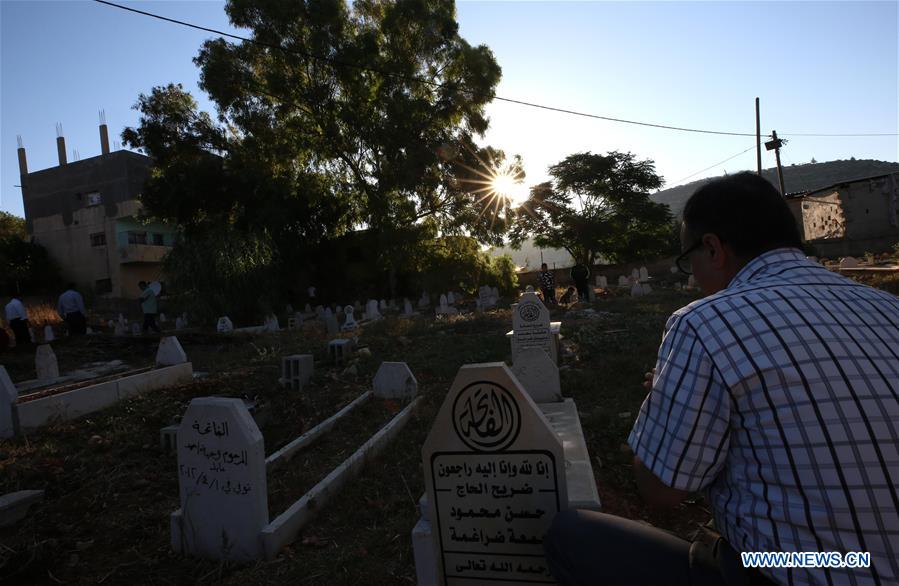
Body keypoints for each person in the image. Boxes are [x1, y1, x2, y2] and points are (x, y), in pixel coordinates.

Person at [544, 172, 899, 585]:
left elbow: (660, 492)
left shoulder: (704, 322)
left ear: (712, 248)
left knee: (570, 535)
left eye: (688, 261)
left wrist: (666, 401)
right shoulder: (888, 307)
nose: (692, 279)